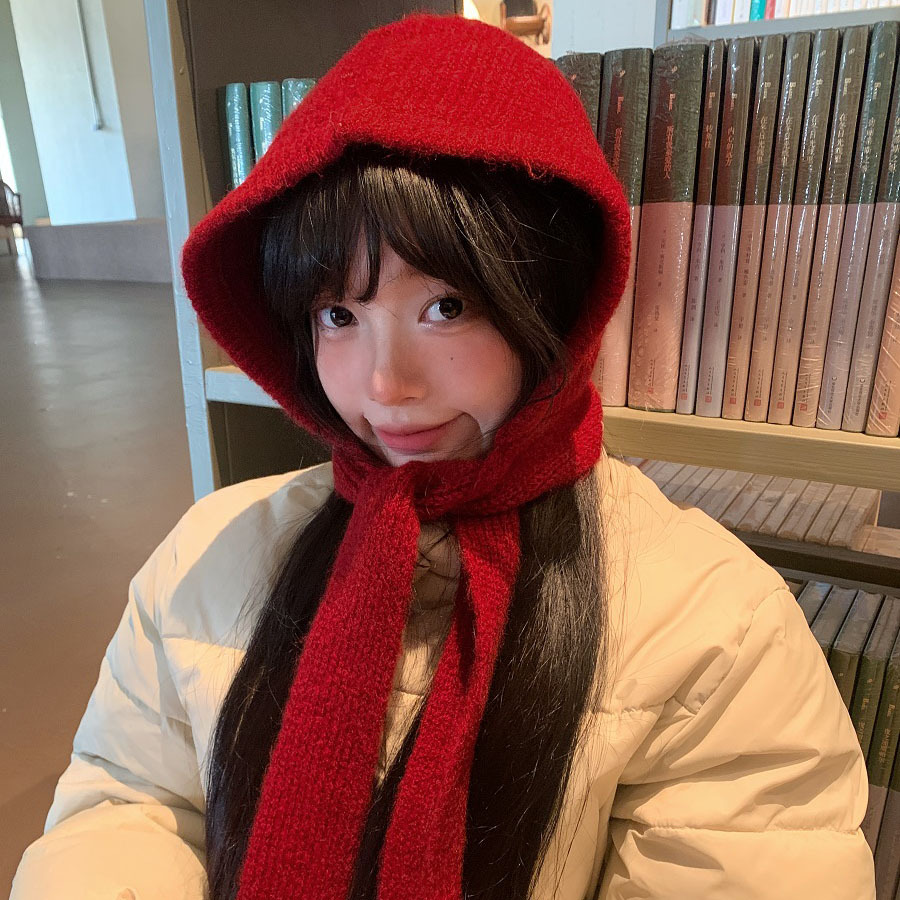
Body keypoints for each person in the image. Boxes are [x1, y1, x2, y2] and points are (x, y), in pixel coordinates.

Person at [11, 12, 875, 900]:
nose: (385, 384)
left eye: (447, 308)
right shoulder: (207, 555)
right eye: (338, 315)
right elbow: (131, 807)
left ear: (554, 298)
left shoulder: (714, 627)